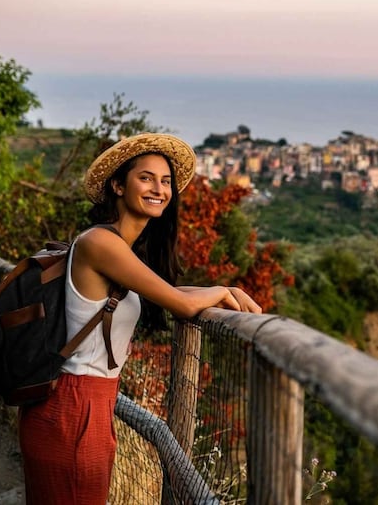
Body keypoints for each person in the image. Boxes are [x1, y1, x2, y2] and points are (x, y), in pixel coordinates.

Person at [18, 133, 262, 504]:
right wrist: (224, 291)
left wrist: (222, 291)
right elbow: (179, 304)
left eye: (166, 181)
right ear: (118, 185)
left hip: (88, 405)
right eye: (146, 178)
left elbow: (169, 293)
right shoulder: (101, 244)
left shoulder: (119, 249)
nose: (159, 189)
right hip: (72, 407)